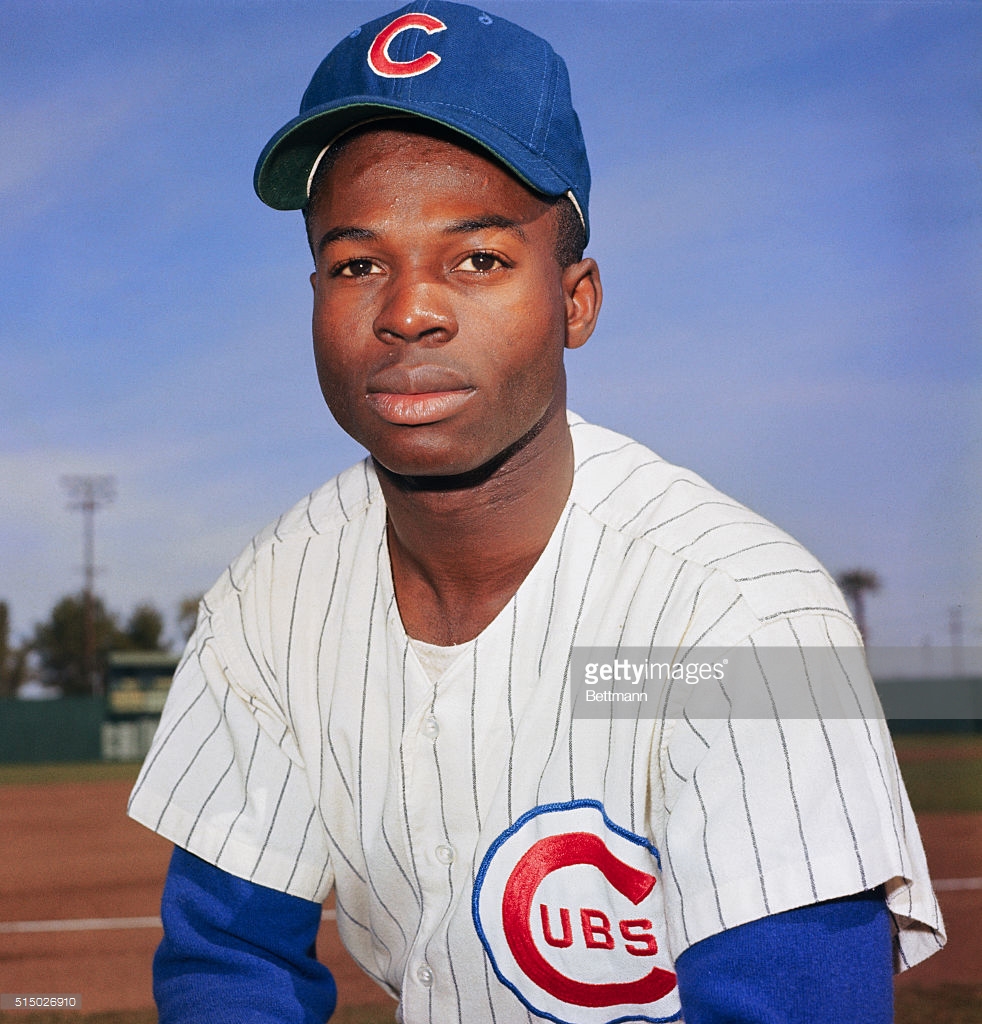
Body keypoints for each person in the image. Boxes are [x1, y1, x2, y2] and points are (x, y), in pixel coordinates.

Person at [128, 3, 945, 1022]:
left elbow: (793, 1003)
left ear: (575, 300)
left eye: (477, 259)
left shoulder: (753, 616)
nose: (407, 308)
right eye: (356, 263)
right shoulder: (267, 598)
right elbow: (229, 960)